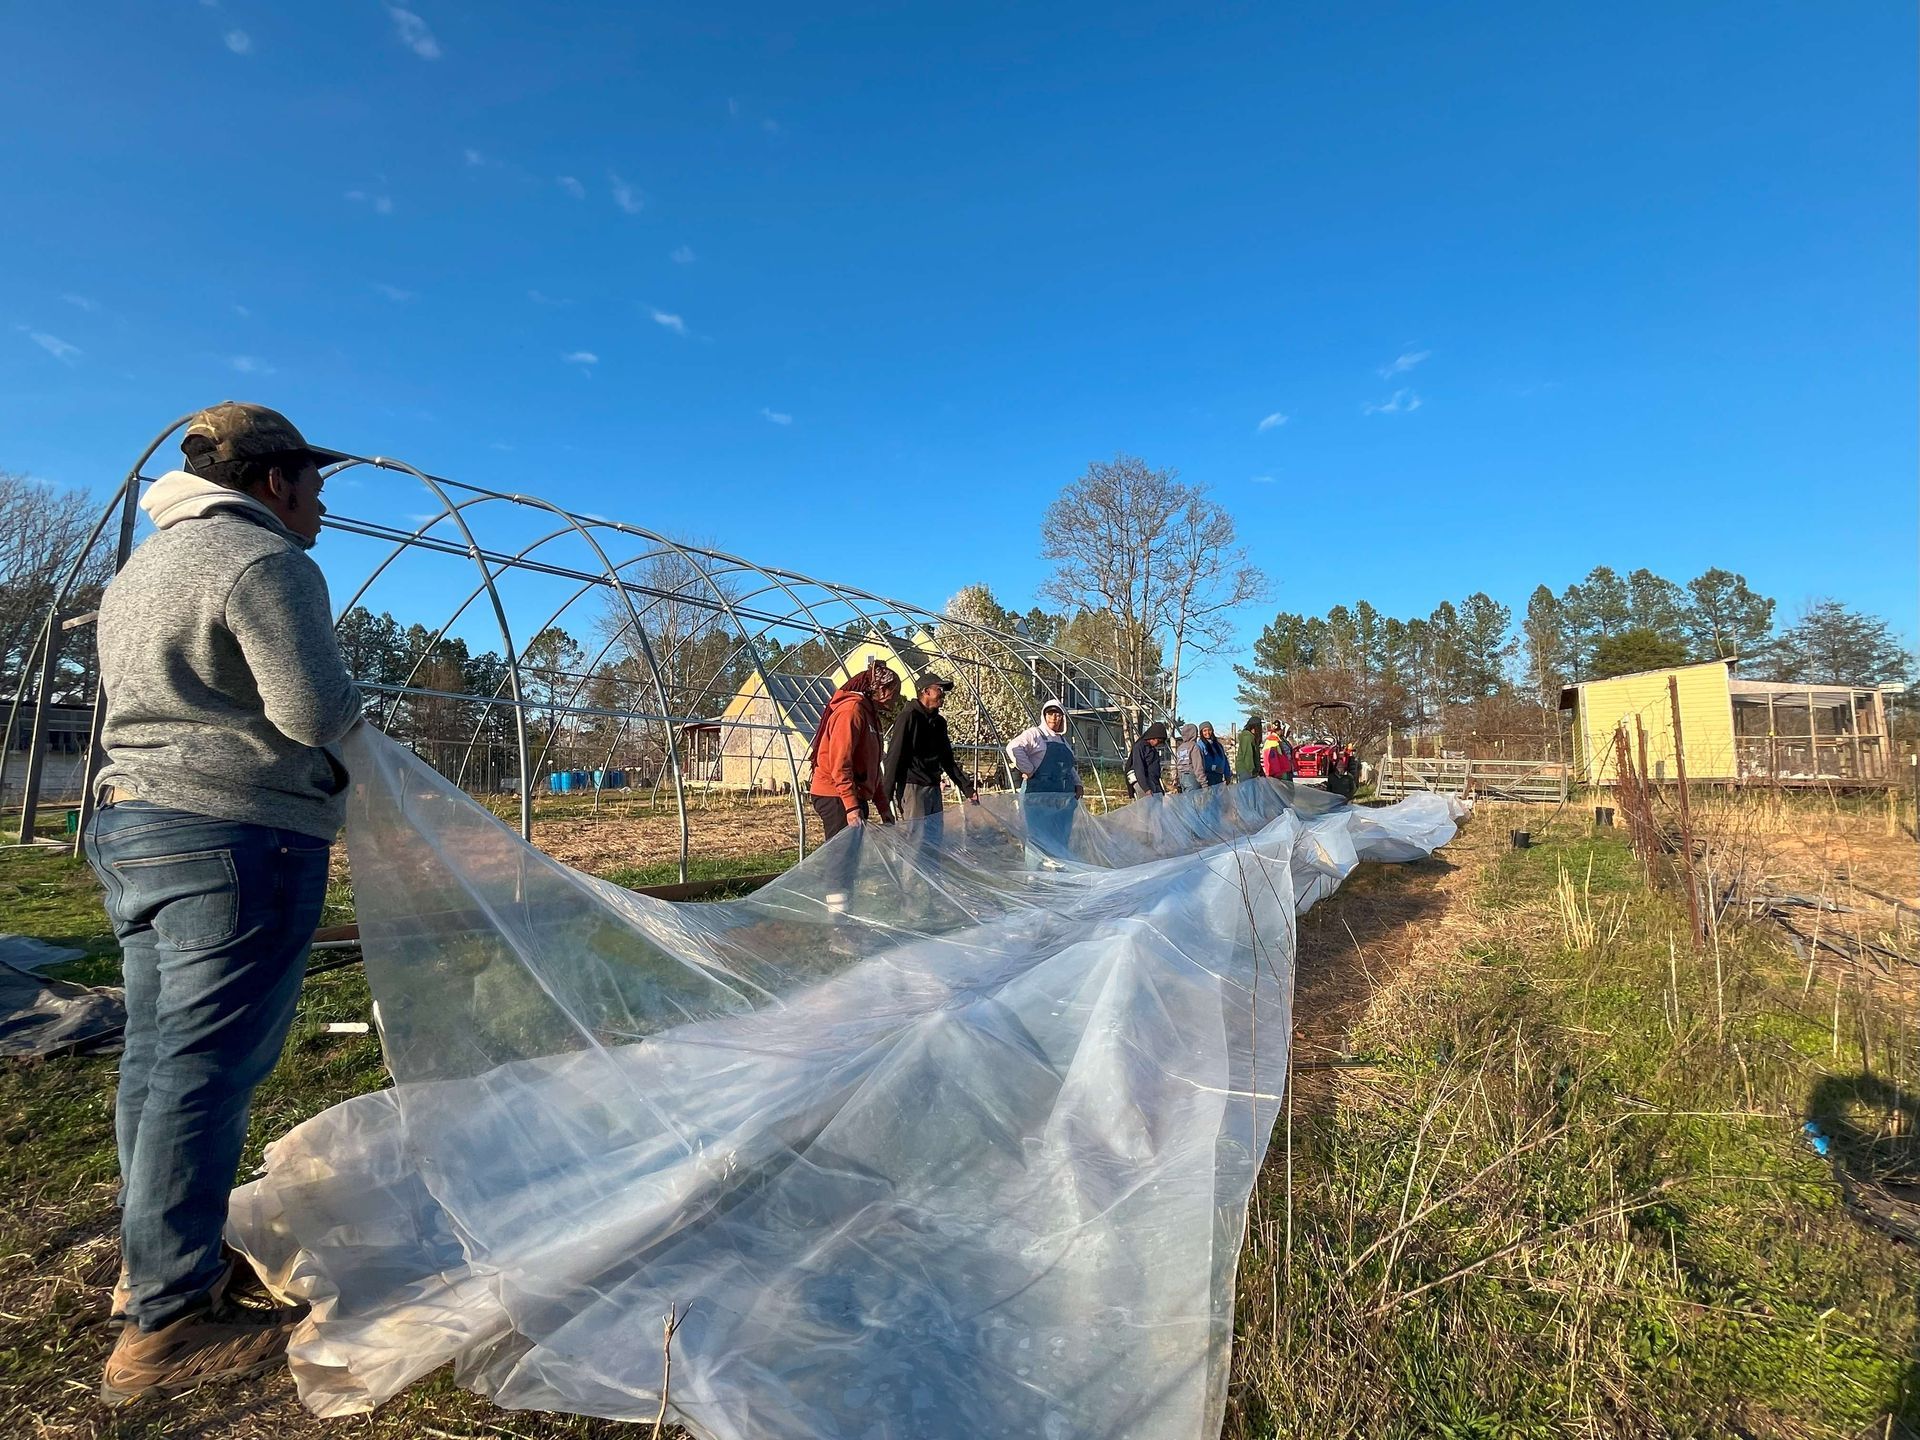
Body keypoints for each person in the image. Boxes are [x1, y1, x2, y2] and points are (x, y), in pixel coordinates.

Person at [86, 402, 362, 1403]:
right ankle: (165, 1324)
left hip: (135, 827)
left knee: (161, 1063)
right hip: (235, 838)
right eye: (315, 482)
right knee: (205, 1073)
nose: (323, 500)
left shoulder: (144, 570)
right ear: (273, 481)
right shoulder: (266, 562)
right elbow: (312, 710)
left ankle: (159, 1272)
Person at [807, 659, 899, 840]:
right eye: (895, 691)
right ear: (881, 690)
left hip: (852, 795)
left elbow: (872, 769)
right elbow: (840, 763)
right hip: (835, 795)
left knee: (851, 858)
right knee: (841, 859)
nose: (898, 697)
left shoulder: (871, 716)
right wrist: (851, 806)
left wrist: (883, 807)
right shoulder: (851, 712)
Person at [881, 672, 979, 822]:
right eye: (939, 689)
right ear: (926, 692)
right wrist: (885, 796)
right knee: (917, 840)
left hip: (933, 787)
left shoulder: (939, 722)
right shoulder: (908, 717)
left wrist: (967, 788)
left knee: (934, 840)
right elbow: (894, 755)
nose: (943, 695)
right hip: (913, 788)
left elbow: (947, 759)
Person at [1005, 699, 1083, 855]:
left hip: (1063, 798)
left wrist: (1078, 783)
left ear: (1063, 717)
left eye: (1058, 714)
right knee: (1037, 837)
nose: (1054, 717)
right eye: (1050, 713)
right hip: (1038, 796)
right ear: (1044, 715)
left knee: (1061, 836)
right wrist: (1028, 769)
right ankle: (1034, 875)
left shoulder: (1062, 740)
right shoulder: (1035, 734)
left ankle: (1058, 873)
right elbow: (1013, 747)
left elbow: (1068, 767)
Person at [1126, 721, 1169, 797]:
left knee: (1158, 803)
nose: (1157, 744)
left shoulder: (1152, 749)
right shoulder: (1139, 747)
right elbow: (1139, 768)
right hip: (1142, 782)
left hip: (1152, 781)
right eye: (1158, 741)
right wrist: (1146, 788)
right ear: (1152, 737)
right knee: (1146, 806)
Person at [1172, 723, 1207, 793]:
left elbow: (1178, 765)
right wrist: (1204, 784)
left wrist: (1177, 778)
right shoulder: (1194, 747)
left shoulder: (1180, 748)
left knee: (1187, 802)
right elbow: (1198, 766)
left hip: (1182, 778)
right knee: (1194, 802)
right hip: (1192, 778)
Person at [1198, 721, 1233, 786]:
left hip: (1219, 776)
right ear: (1201, 733)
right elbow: (1199, 762)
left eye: (1209, 730)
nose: (1207, 733)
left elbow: (1224, 760)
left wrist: (1227, 774)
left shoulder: (1218, 745)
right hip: (1208, 777)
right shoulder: (1200, 745)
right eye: (1205, 731)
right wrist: (1213, 768)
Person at [1236, 713, 1262, 784]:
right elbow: (1248, 756)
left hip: (1250, 771)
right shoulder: (1247, 737)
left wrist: (1259, 769)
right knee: (1248, 793)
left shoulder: (1252, 737)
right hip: (1247, 771)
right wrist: (1252, 772)